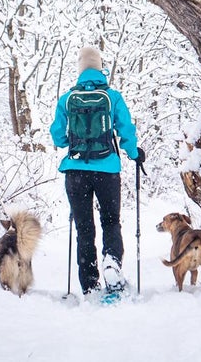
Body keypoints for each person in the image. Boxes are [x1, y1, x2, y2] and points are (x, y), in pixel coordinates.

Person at [50, 46, 145, 295]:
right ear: (100, 68)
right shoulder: (112, 97)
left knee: (84, 228)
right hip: (107, 171)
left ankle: (90, 284)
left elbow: (58, 137)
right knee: (111, 222)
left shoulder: (67, 99)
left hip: (75, 172)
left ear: (80, 69)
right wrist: (135, 154)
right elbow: (126, 131)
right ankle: (112, 262)